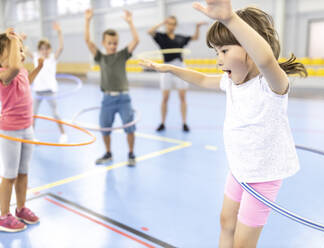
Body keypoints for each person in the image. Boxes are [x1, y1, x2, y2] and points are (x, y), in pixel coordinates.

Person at [140, 0, 307, 246]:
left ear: (249, 48)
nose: (219, 60)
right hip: (239, 167)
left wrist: (231, 20)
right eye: (216, 52)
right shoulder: (230, 82)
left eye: (224, 50)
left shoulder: (272, 84)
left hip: (263, 174)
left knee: (242, 242)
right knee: (226, 221)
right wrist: (169, 69)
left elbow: (266, 61)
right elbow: (201, 79)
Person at [0, 28, 44, 232]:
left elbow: (26, 82)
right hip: (10, 132)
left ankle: (21, 208)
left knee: (23, 173)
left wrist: (38, 68)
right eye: (15, 50)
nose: (20, 53)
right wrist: (14, 40)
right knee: (10, 175)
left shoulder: (20, 71)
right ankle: (3, 216)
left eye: (21, 50)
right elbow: (14, 65)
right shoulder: (3, 75)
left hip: (27, 129)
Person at [84, 9, 139, 166]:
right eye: (109, 43)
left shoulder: (122, 54)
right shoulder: (100, 57)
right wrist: (87, 21)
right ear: (104, 43)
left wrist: (130, 22)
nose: (113, 46)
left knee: (130, 127)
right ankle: (108, 153)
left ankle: (131, 154)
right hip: (107, 98)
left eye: (115, 43)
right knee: (105, 127)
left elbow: (136, 40)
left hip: (123, 98)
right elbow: (88, 41)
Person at [148, 16, 206, 132]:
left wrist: (197, 27)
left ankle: (184, 123)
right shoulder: (161, 37)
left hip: (180, 67)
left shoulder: (180, 38)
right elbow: (150, 31)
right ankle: (162, 122)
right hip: (166, 68)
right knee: (165, 98)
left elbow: (195, 37)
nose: (171, 26)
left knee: (182, 97)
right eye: (169, 23)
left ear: (175, 25)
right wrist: (161, 23)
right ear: (166, 24)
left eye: (173, 24)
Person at [23, 23, 67, 143]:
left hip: (50, 90)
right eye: (42, 48)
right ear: (39, 50)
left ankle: (63, 134)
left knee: (55, 113)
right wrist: (22, 39)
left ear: (50, 49)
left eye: (47, 48)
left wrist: (59, 32)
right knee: (33, 115)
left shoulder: (52, 58)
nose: (45, 51)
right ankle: (31, 137)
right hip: (38, 91)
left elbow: (61, 48)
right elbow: (24, 50)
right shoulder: (36, 57)